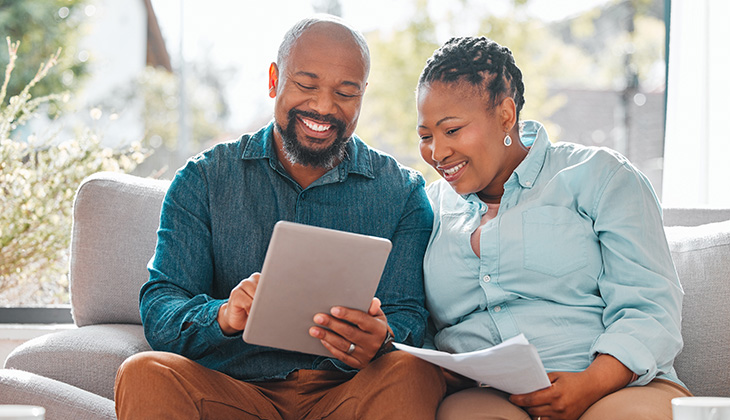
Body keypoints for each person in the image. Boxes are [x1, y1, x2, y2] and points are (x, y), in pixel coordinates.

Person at [114, 15, 445, 419]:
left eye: (345, 92)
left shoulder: (402, 192)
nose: (324, 107)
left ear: (362, 96)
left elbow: (408, 314)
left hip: (346, 394)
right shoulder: (204, 178)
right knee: (144, 373)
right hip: (232, 390)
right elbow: (162, 304)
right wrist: (222, 315)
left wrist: (384, 338)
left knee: (415, 370)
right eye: (306, 85)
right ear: (274, 80)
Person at [415, 36, 692, 420]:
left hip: (615, 386)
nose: (437, 152)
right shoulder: (428, 207)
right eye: (425, 136)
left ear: (506, 116)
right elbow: (420, 320)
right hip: (491, 396)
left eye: (452, 130)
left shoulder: (601, 176)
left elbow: (651, 306)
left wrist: (589, 383)